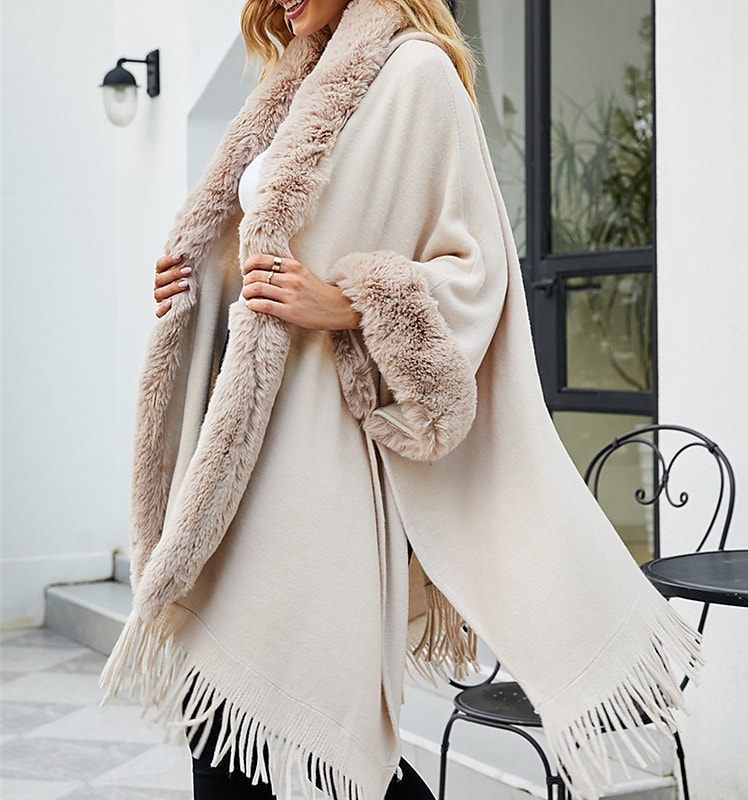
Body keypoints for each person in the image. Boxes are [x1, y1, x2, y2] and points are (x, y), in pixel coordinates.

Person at [101, 1, 702, 799]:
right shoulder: (292, 84)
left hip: (327, 450)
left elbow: (477, 272)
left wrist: (350, 301)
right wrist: (201, 276)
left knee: (289, 727)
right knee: (224, 718)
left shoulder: (417, 74)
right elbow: (272, 255)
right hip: (242, 448)